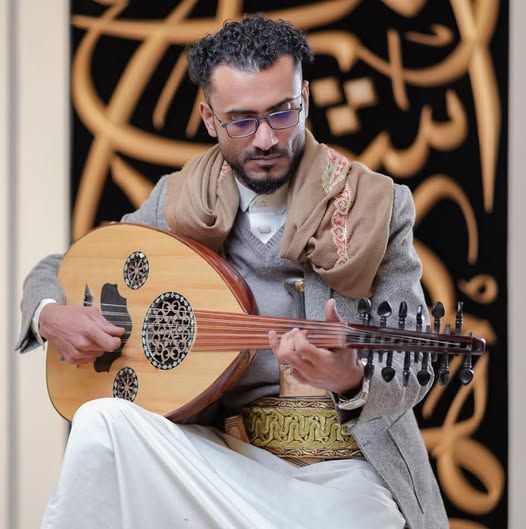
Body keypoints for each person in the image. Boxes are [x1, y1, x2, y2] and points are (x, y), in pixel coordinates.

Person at [17, 14, 448, 529]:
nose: (265, 139)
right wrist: (48, 315)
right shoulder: (179, 202)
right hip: (225, 458)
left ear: (305, 98)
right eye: (241, 121)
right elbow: (59, 268)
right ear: (209, 117)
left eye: (282, 113)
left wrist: (352, 378)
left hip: (345, 472)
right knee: (100, 421)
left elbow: (412, 365)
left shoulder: (377, 206)